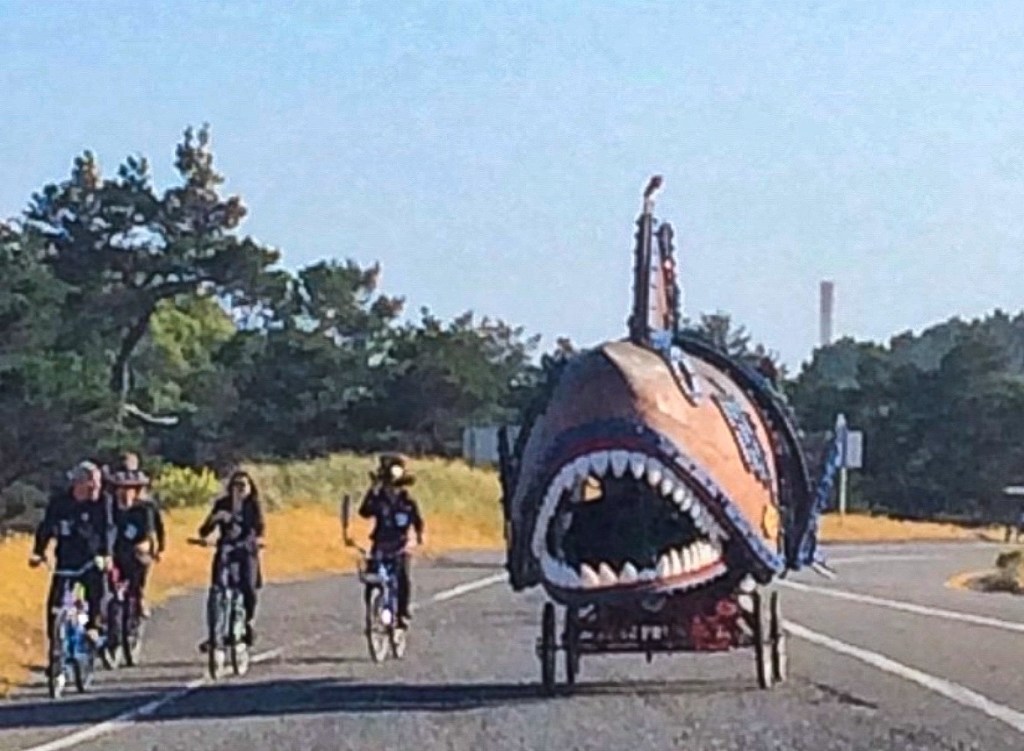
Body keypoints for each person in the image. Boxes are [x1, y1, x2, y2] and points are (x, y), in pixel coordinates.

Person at [29, 461, 113, 646]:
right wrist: (38, 552)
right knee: (56, 603)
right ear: (78, 484)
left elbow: (107, 529)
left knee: (97, 588)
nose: (95, 489)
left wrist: (107, 554)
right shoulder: (60, 503)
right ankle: (55, 645)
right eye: (92, 484)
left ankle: (93, 626)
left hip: (91, 558)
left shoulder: (102, 502)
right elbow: (47, 527)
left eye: (98, 484)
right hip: (66, 559)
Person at [196, 470, 265, 651]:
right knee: (217, 588)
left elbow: (259, 528)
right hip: (226, 549)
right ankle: (215, 633)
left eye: (243, 485)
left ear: (250, 488)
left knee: (249, 587)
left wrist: (257, 540)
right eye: (236, 484)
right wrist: (214, 519)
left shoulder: (253, 505)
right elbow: (203, 530)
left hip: (247, 551)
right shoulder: (222, 504)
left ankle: (247, 623)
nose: (239, 488)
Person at [358, 454, 424, 627]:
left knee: (402, 577)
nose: (392, 489)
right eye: (388, 485)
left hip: (400, 545)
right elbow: (364, 512)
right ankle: (372, 613)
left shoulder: (408, 502)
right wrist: (372, 490)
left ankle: (402, 613)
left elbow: (417, 521)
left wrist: (417, 537)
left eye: (396, 486)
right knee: (372, 577)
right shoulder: (378, 500)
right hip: (380, 544)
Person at [107, 468, 158, 618]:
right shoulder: (108, 508)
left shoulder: (144, 510)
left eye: (130, 489)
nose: (125, 493)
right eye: (122, 488)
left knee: (141, 561)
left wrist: (147, 546)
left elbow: (149, 534)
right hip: (112, 552)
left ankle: (140, 595)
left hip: (133, 552)